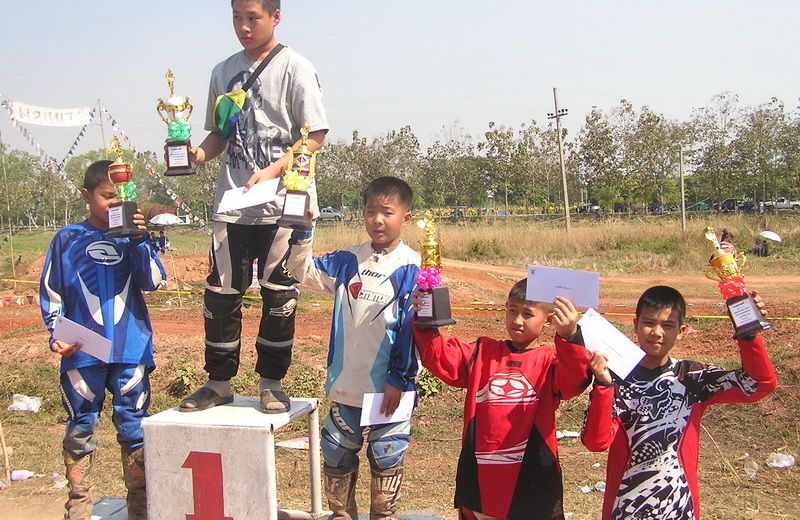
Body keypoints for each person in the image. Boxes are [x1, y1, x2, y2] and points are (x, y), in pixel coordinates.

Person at [179, 0, 328, 414]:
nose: (243, 27)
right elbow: (219, 135)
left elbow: (315, 135)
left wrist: (274, 170)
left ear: (275, 17)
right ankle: (218, 382)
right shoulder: (222, 71)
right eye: (236, 18)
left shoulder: (296, 68)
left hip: (285, 203)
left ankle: (271, 383)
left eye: (253, 18)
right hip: (233, 203)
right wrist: (195, 155)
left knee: (279, 294)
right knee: (220, 294)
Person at [286, 177, 420, 520]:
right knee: (335, 453)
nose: (378, 219)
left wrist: (399, 378)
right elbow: (301, 270)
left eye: (387, 212)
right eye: (371, 211)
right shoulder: (348, 260)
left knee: (387, 455)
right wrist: (302, 231)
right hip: (348, 384)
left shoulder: (413, 267)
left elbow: (412, 328)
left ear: (405, 218)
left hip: (389, 390)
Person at [581, 285, 776, 520]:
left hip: (679, 507)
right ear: (635, 325)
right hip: (625, 508)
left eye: (668, 325)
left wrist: (749, 333)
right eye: (648, 323)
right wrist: (603, 385)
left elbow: (757, 384)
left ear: (682, 331)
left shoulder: (691, 377)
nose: (657, 332)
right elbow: (596, 442)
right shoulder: (616, 378)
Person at [40, 160, 167, 520]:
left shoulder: (133, 238)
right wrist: (56, 336)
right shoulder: (67, 239)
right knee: (81, 426)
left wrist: (140, 240)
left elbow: (153, 281)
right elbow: (50, 292)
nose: (115, 203)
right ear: (86, 195)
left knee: (134, 427)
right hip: (82, 351)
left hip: (131, 349)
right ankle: (78, 505)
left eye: (121, 196)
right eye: (107, 195)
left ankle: (140, 507)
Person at [414, 279, 592, 520]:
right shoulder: (482, 353)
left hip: (534, 488)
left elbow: (574, 381)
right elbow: (439, 357)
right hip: (479, 488)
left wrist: (570, 336)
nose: (517, 320)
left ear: (549, 320)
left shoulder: (550, 361)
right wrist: (425, 317)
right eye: (512, 311)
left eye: (528, 314)